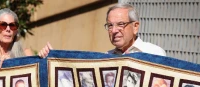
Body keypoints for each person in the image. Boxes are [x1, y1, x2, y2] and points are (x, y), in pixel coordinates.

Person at [38, 3, 166, 58]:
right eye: (110, 26)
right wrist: (52, 58)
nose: (114, 30)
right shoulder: (105, 58)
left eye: (120, 24)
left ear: (135, 27)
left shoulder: (154, 53)